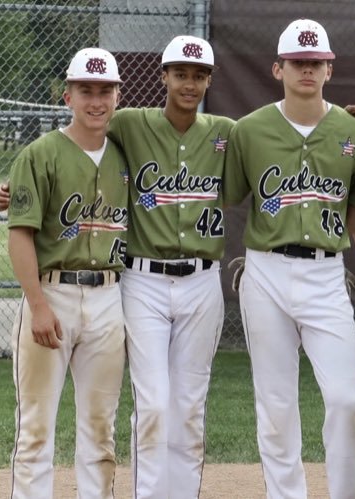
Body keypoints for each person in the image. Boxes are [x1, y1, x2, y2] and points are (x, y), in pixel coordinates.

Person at [221, 19, 355, 499]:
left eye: (316, 62)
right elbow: (228, 194)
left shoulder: (353, 132)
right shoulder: (249, 131)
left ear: (329, 69)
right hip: (266, 269)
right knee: (275, 404)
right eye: (298, 62)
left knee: (345, 399)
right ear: (279, 68)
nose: (307, 69)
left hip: (326, 273)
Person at [104, 35, 236, 499]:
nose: (189, 82)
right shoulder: (129, 124)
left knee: (188, 407)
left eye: (199, 75)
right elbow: (77, 136)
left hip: (202, 283)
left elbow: (285, 137)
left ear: (208, 81)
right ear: (163, 76)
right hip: (143, 282)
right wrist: (19, 181)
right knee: (154, 404)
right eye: (180, 73)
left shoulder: (224, 132)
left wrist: (346, 116)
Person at [6, 47, 130, 499]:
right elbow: (19, 235)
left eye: (104, 91)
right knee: (35, 427)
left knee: (101, 429)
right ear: (67, 97)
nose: (96, 101)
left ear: (119, 95)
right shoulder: (40, 153)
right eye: (85, 91)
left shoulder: (126, 153)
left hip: (109, 299)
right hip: (52, 294)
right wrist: (37, 305)